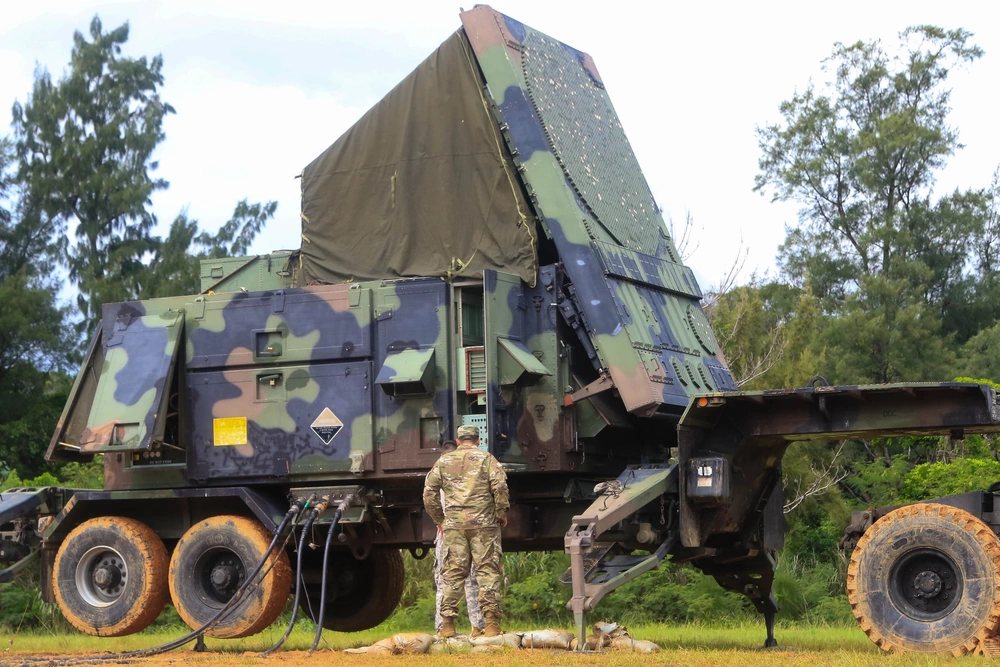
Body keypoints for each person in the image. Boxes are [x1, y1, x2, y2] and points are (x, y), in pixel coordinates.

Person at [423, 424, 508, 638]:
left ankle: (448, 625)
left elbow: (428, 493)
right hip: (484, 526)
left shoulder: (443, 462)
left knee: (452, 573)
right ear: (478, 440)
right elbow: (500, 487)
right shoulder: (487, 459)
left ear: (459, 441)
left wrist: (440, 519)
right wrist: (501, 512)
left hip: (454, 526)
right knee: (487, 571)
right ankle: (490, 625)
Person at [432, 440, 485, 637]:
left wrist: (440, 521)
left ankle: (443, 627)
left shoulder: (437, 473)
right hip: (469, 532)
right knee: (472, 579)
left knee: (446, 580)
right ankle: (478, 626)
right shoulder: (470, 473)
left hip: (448, 533)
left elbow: (429, 500)